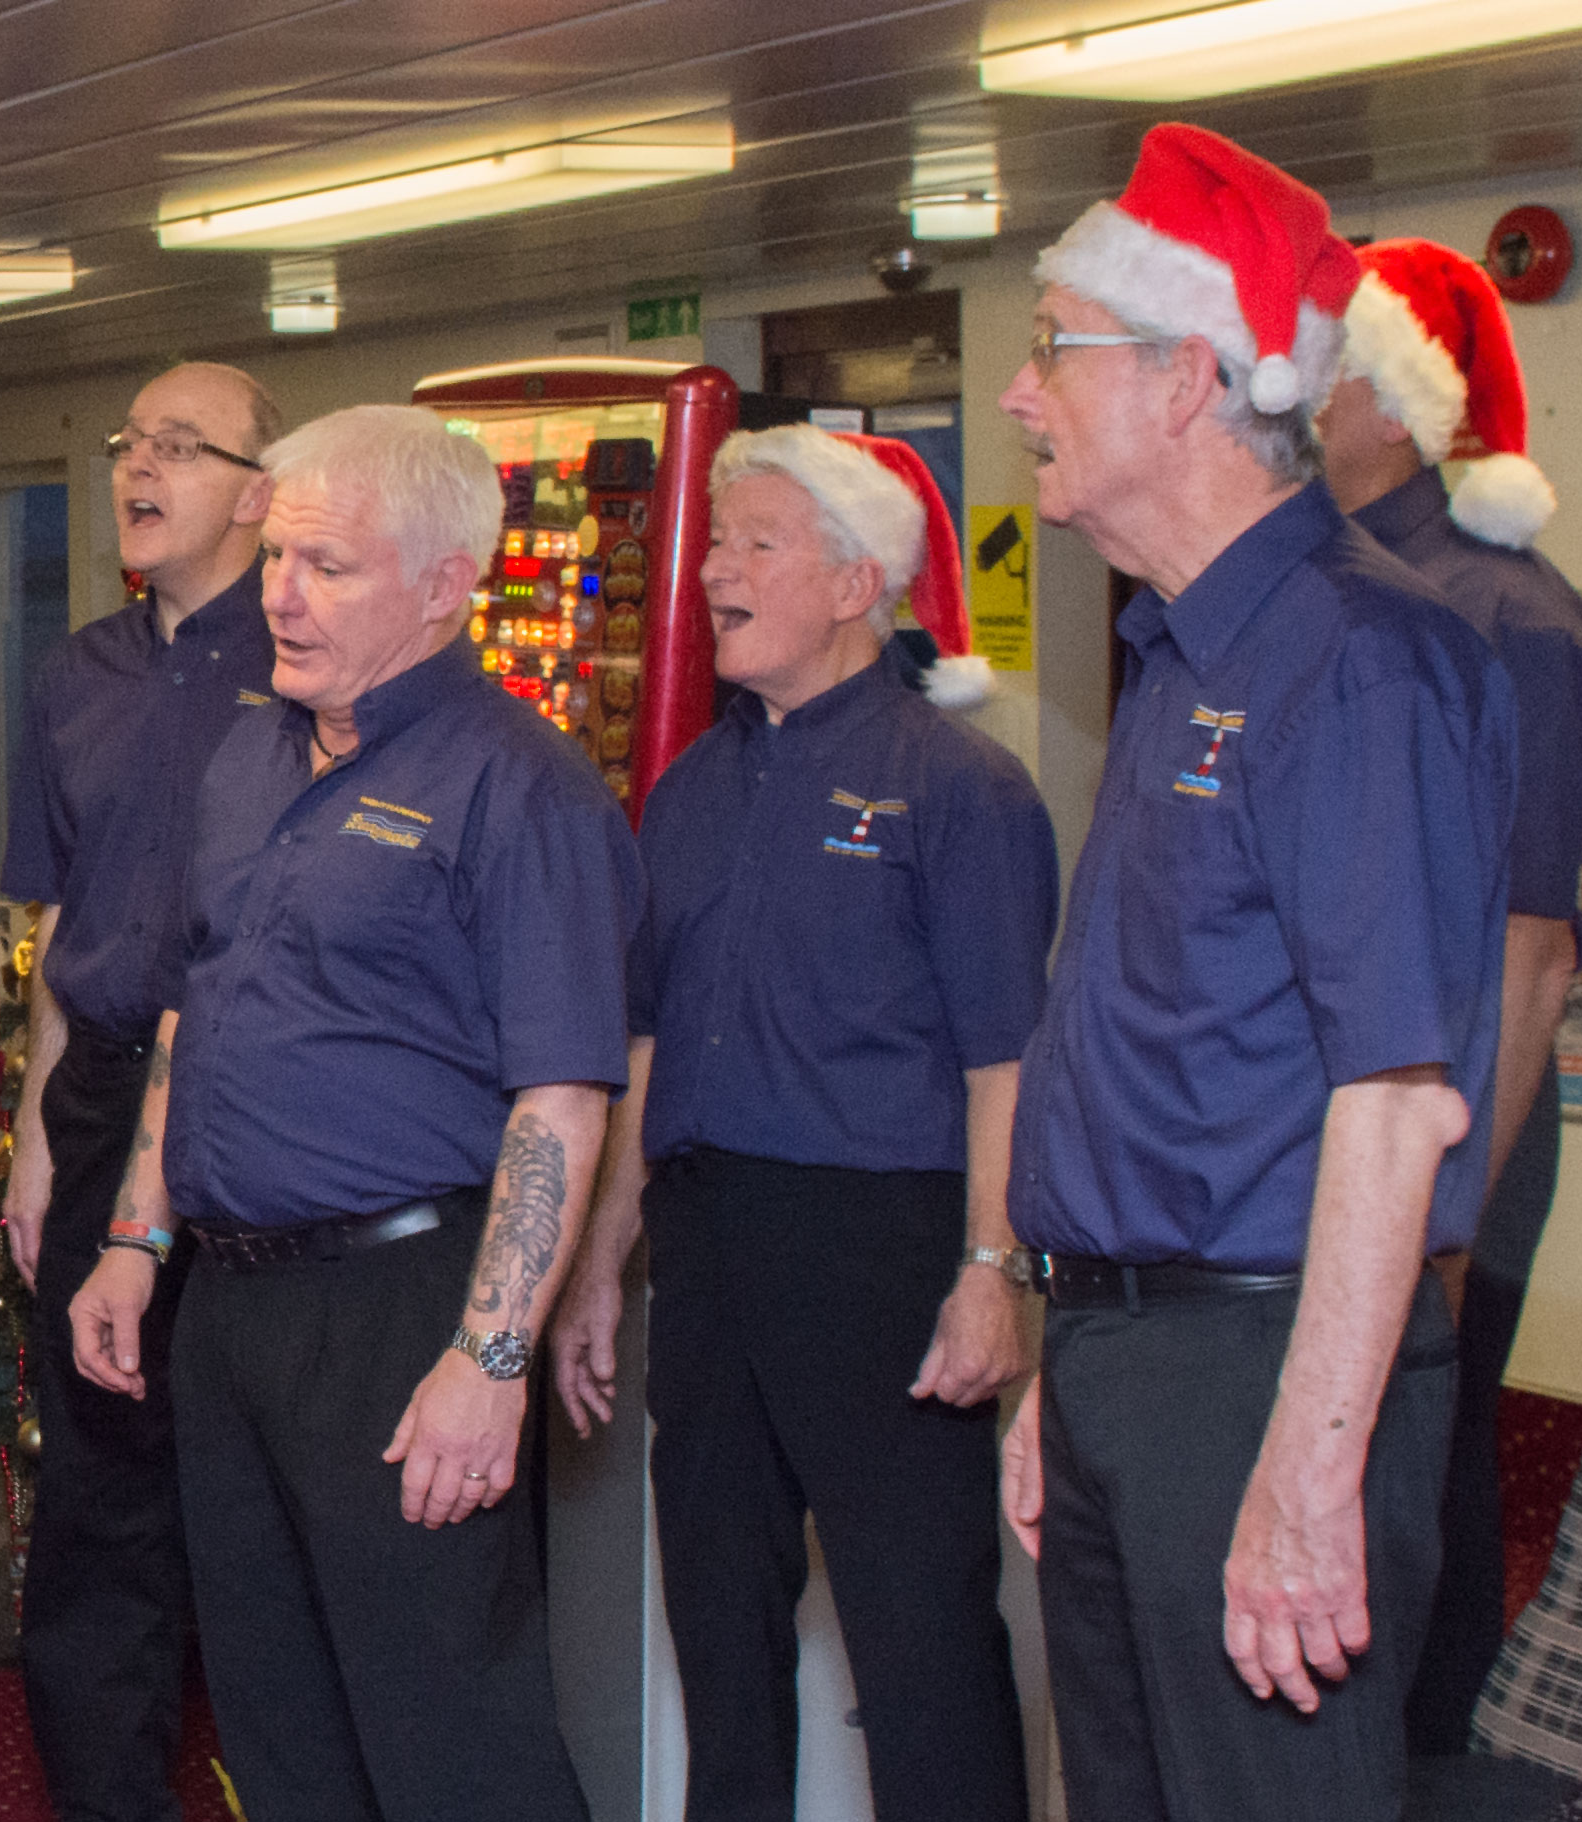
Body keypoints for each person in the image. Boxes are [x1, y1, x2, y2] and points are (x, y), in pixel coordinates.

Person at [998, 122, 1514, 1821]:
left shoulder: (1358, 660)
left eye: (1051, 346)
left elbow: (1394, 1099)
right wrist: (1071, 1358)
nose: (1015, 393)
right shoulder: (1174, 653)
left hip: (1265, 1369)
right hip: (1134, 1360)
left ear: (1184, 380)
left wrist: (1307, 1466)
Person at [60, 403, 633, 1822]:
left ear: (443, 586)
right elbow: (191, 1010)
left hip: (399, 1304)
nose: (281, 595)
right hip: (227, 1305)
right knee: (275, 1724)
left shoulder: (520, 786)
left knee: (448, 1734)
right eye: (276, 558)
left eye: (327, 566)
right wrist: (134, 1238)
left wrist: (487, 1357)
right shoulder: (250, 757)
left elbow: (560, 1097)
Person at [548, 426, 1053, 1818]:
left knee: (919, 1635)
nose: (710, 571)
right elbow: (645, 1047)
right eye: (713, 543)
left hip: (881, 1250)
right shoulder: (686, 790)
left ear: (851, 583)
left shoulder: (959, 787)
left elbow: (1007, 1064)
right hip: (707, 1242)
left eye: (752, 544)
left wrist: (992, 1273)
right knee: (716, 1619)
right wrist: (596, 1264)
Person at [1318, 237, 1582, 1755]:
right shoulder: (1320, 595)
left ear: (1396, 404)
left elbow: (1530, 954)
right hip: (1335, 1146)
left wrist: (1444, 1223)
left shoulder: (1509, 618)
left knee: (1411, 1514)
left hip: (1454, 1152)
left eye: (1320, 369)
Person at [0, 360, 279, 1822]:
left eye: (181, 445)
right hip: (100, 1102)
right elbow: (57, 928)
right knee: (96, 1488)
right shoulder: (74, 677)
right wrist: (36, 1139)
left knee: (240, 1479)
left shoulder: (305, 662)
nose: (139, 466)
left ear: (257, 490)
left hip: (259, 1118)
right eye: (128, 441)